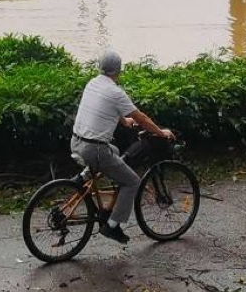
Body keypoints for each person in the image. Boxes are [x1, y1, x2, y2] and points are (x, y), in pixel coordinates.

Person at [71, 50, 175, 245]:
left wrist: (124, 120)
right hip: (95, 150)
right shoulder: (116, 91)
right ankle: (112, 226)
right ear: (118, 71)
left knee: (116, 152)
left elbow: (107, 107)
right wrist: (161, 133)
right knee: (133, 182)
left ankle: (81, 178)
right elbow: (142, 118)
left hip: (77, 142)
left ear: (100, 67)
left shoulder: (93, 83)